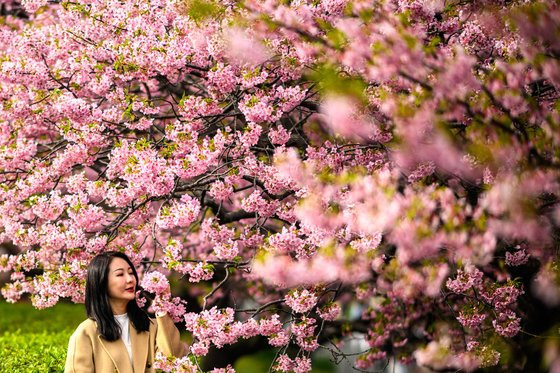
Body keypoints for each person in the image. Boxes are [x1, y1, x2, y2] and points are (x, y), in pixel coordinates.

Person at [64, 251, 187, 373]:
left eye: (131, 273)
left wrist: (162, 307)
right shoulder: (86, 333)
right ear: (101, 282)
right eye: (120, 274)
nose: (130, 279)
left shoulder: (150, 326)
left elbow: (172, 360)